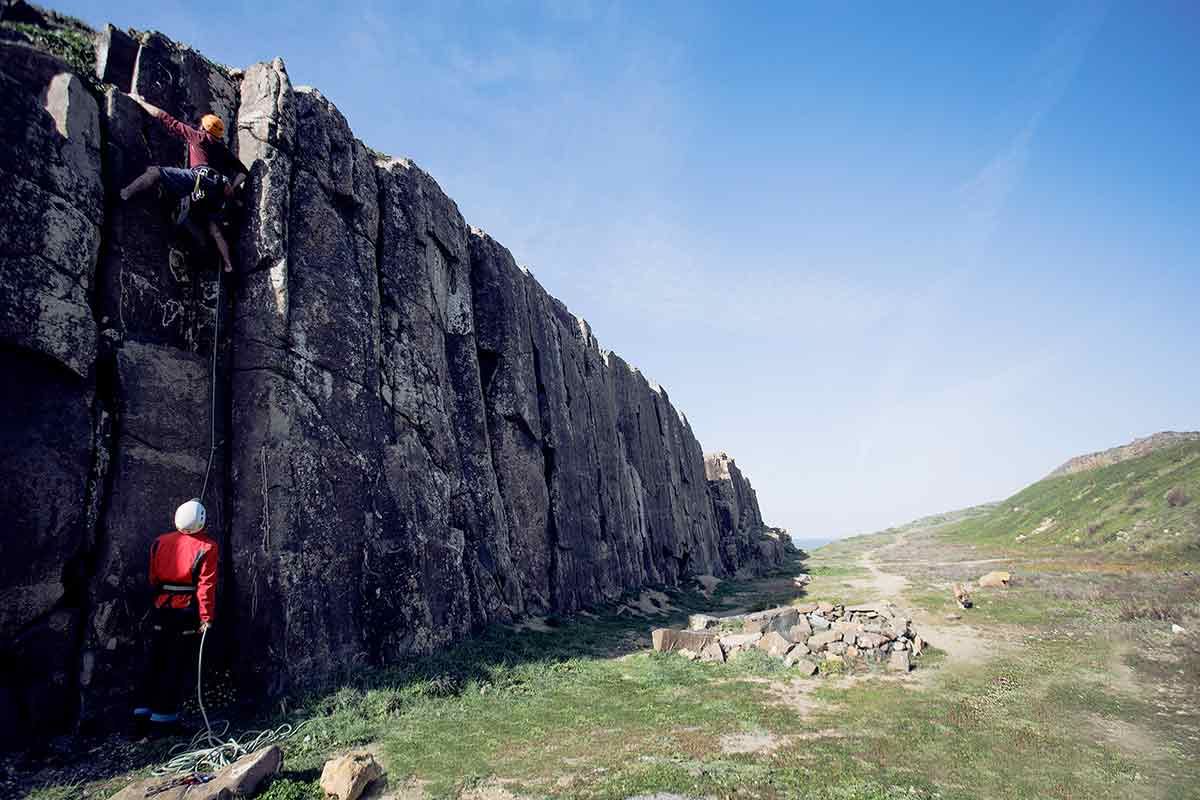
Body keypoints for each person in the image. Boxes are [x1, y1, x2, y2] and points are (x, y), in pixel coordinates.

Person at [119, 95, 248, 273]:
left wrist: (140, 101)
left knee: (155, 172)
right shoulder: (223, 150)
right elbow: (243, 171)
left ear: (204, 127)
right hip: (216, 191)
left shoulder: (198, 137)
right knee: (213, 229)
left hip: (199, 178)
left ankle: (126, 192)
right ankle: (227, 264)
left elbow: (166, 119)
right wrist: (232, 188)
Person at [133, 499, 219, 734]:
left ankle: (141, 716)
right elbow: (206, 586)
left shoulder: (159, 542)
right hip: (185, 611)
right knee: (175, 663)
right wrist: (206, 617)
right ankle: (164, 721)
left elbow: (153, 578)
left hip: (161, 607)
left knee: (155, 660)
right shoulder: (207, 547)